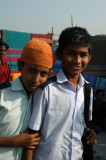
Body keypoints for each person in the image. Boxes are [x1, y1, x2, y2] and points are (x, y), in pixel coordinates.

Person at [24, 27, 96, 160]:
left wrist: (89, 132)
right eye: (71, 53)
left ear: (89, 57)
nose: (77, 60)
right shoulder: (47, 89)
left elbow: (83, 121)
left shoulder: (87, 89)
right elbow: (32, 135)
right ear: (59, 54)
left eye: (83, 55)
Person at [0, 39, 54, 160]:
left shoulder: (41, 97)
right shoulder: (2, 95)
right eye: (32, 71)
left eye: (43, 74)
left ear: (49, 74)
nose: (36, 79)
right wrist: (14, 142)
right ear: (20, 65)